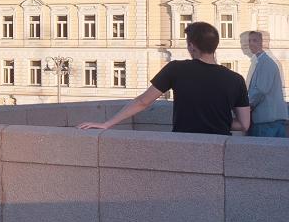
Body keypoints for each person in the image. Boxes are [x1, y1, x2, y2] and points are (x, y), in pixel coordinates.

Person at [80, 21, 251, 136]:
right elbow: (244, 124)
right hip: (220, 146)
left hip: (184, 144)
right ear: (215, 46)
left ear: (191, 46)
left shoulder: (177, 69)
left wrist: (107, 124)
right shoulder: (235, 79)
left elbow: (143, 102)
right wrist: (216, 123)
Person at [243, 31, 286, 140]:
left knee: (262, 155)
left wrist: (248, 106)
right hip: (271, 120)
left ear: (262, 43)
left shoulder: (265, 63)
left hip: (267, 121)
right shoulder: (262, 62)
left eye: (254, 40)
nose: (251, 44)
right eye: (249, 41)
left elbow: (260, 90)